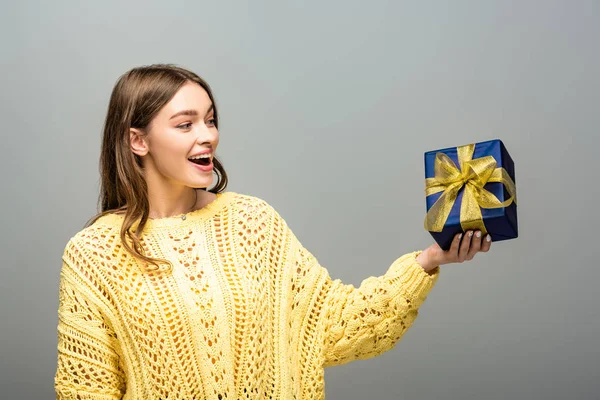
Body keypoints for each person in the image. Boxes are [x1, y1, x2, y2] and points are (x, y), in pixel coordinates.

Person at [54, 64, 491, 400]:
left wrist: (427, 262)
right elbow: (85, 390)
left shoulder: (252, 222)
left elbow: (332, 326)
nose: (208, 136)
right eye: (185, 124)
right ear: (138, 141)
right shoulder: (94, 254)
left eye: (210, 119)